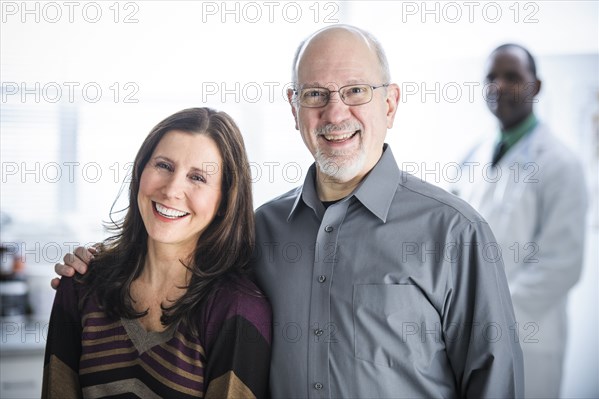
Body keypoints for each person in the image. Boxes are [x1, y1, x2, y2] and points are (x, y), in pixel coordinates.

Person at [54, 26, 524, 398]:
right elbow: (175, 255)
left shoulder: (454, 233)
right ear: (294, 107)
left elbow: (495, 383)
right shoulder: (260, 231)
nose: (335, 113)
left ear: (390, 101)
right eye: (315, 94)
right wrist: (97, 261)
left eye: (356, 90)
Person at [43, 108, 271, 398]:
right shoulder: (81, 283)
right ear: (140, 171)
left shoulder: (237, 311)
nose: (172, 189)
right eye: (164, 165)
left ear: (225, 200)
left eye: (198, 178)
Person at [452, 44, 588, 398]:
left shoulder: (561, 163)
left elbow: (561, 264)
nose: (499, 86)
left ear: (536, 86)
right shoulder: (472, 156)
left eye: (512, 77)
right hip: (468, 334)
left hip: (530, 339)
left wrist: (490, 315)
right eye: (491, 78)